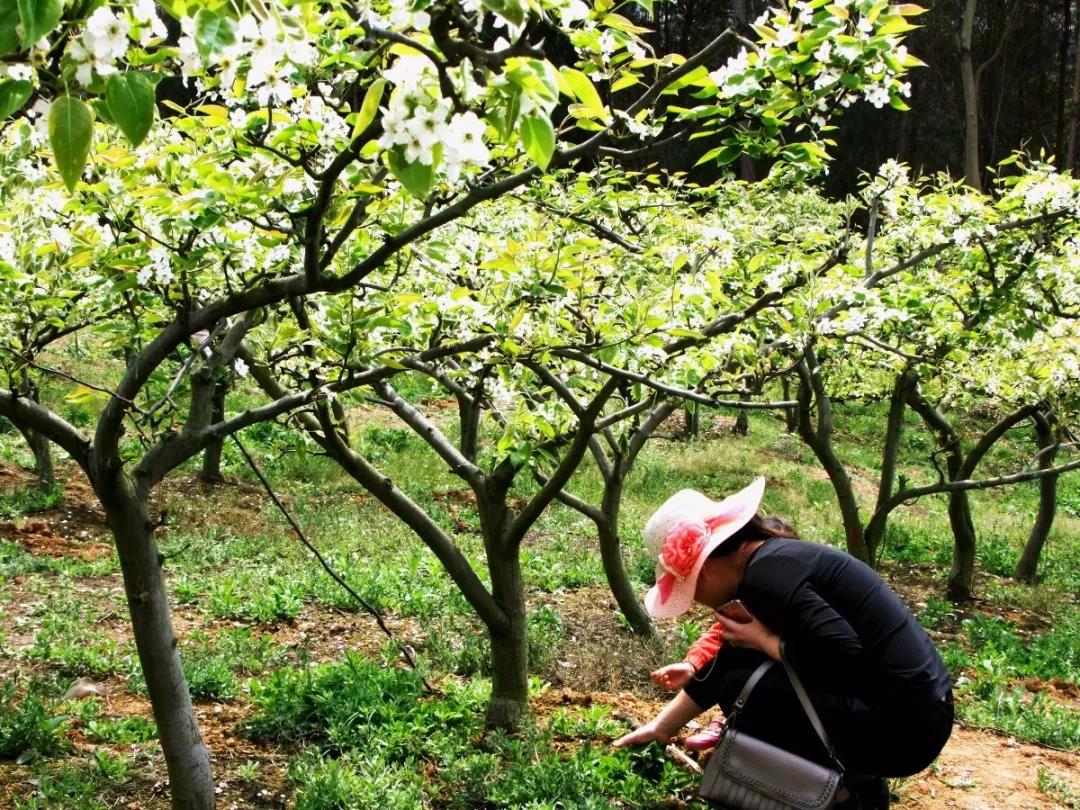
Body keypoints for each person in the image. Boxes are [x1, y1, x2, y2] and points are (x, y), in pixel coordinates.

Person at [614, 477, 953, 810]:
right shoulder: (766, 564)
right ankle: (854, 780)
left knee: (743, 686)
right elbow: (726, 661)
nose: (699, 602)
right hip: (918, 711)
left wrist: (769, 642)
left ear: (704, 573)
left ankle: (847, 795)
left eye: (691, 592)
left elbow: (847, 654)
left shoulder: (766, 579)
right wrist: (661, 728)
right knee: (741, 669)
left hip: (904, 729)